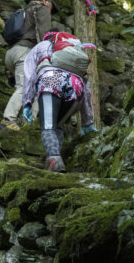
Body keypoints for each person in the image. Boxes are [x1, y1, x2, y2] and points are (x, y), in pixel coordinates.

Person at [21, 32, 97, 172]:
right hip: (76, 86)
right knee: (58, 125)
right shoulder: (76, 50)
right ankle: (56, 158)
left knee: (49, 126)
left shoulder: (42, 46)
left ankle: (54, 160)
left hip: (51, 80)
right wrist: (87, 121)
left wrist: (27, 102)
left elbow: (29, 74)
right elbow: (86, 89)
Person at [0, 0, 56, 131]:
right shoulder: (41, 9)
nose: (51, 10)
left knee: (36, 91)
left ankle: (27, 124)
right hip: (24, 53)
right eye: (51, 6)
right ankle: (8, 119)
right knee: (23, 88)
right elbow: (44, 35)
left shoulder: (24, 12)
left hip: (11, 54)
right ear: (45, 1)